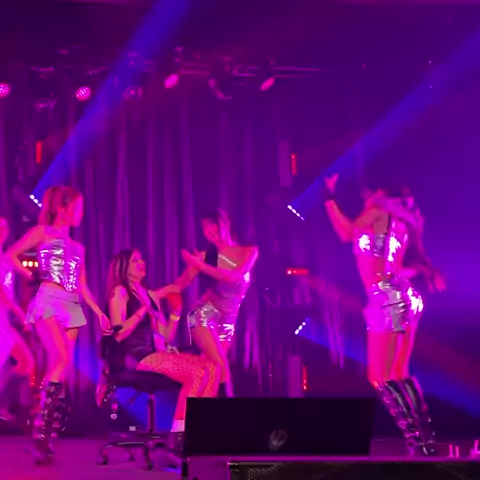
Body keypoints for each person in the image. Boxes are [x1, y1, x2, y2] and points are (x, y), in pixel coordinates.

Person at [323, 173, 445, 456]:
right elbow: (395, 265)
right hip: (403, 295)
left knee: (380, 376)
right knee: (399, 372)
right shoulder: (401, 223)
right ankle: (424, 439)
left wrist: (329, 197)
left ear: (379, 194)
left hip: (386, 297)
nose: (365, 198)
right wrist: (423, 270)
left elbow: (345, 232)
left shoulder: (377, 213)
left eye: (370, 193)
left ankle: (416, 439)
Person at [6, 186, 111, 464]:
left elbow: (82, 284)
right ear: (61, 208)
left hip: (72, 306)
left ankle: (45, 436)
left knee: (62, 367)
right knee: (61, 358)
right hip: (49, 300)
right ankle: (40, 427)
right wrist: (32, 275)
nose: (80, 213)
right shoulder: (42, 232)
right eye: (76, 207)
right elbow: (10, 255)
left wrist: (99, 312)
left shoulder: (79, 247)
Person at [106, 249, 220, 446]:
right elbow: (119, 333)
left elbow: (164, 336)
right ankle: (179, 437)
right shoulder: (120, 292)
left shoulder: (150, 295)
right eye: (135, 260)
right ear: (123, 267)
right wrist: (142, 310)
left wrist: (175, 314)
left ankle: (200, 429)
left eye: (141, 259)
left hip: (153, 353)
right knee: (196, 373)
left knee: (212, 368)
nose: (141, 262)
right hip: (132, 355)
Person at [165, 209, 258, 398]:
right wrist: (151, 296)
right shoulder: (205, 257)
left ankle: (186, 410)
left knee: (209, 372)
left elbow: (233, 277)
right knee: (221, 368)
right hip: (204, 315)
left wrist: (200, 265)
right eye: (204, 227)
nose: (209, 230)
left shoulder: (249, 252)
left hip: (229, 321)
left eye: (213, 224)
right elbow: (179, 285)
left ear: (226, 223)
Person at [0, 217, 34, 426]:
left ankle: (3, 405)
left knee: (26, 363)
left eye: (4, 227)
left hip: (4, 320)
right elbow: (3, 294)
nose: (2, 230)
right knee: (24, 361)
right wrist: (22, 316)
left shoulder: (6, 258)